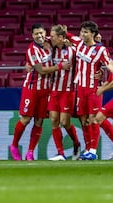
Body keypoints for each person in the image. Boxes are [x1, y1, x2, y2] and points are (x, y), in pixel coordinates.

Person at [9, 23, 67, 161]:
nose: (39, 36)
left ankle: (30, 152)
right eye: (36, 34)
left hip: (46, 89)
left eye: (41, 33)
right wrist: (60, 67)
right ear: (32, 36)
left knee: (39, 121)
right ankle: (14, 145)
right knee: (26, 119)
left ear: (44, 33)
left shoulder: (49, 41)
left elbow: (64, 39)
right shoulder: (32, 50)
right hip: (32, 88)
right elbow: (41, 70)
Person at [66, 21, 112, 160]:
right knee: (84, 119)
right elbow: (66, 34)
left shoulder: (101, 50)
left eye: (86, 32)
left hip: (93, 89)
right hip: (80, 88)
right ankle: (87, 149)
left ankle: (93, 150)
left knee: (93, 119)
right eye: (82, 31)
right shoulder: (78, 43)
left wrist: (106, 82)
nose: (82, 34)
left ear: (93, 34)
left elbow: (111, 67)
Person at [46, 24, 81, 161]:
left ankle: (76, 143)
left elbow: (82, 44)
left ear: (61, 37)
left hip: (68, 90)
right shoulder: (52, 49)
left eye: (53, 36)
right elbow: (41, 39)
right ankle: (60, 153)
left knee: (64, 122)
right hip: (54, 89)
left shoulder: (73, 50)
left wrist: (69, 36)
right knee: (54, 120)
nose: (51, 38)